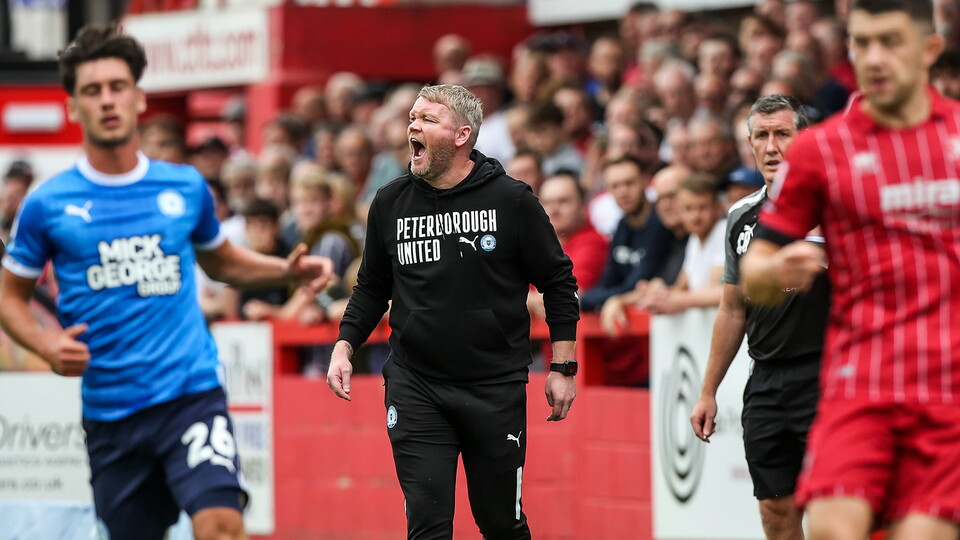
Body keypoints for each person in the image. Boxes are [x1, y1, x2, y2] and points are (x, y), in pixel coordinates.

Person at [0, 25, 332, 540]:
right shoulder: (47, 204)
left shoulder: (184, 186)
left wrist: (285, 271)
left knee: (221, 524)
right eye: (92, 90)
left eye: (117, 86)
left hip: (190, 392)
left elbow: (220, 261)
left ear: (138, 98)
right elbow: (10, 295)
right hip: (112, 412)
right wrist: (45, 343)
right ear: (73, 107)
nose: (107, 100)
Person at [740, 2, 960, 538]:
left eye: (892, 40)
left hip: (947, 390)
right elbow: (756, 267)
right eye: (863, 43)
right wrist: (774, 271)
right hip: (856, 384)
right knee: (834, 530)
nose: (876, 58)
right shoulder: (820, 149)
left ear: (929, 49)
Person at [326, 84, 579, 539]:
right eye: (412, 118)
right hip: (415, 383)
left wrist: (563, 365)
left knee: (501, 522)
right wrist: (344, 346)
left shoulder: (512, 200)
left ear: (463, 135)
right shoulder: (389, 202)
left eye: (427, 119)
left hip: (494, 385)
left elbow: (559, 282)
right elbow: (371, 287)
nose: (412, 126)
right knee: (427, 524)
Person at [689, 94, 829, 540]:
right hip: (766, 379)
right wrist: (708, 390)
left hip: (827, 376)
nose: (772, 147)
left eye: (782, 134)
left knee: (834, 509)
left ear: (804, 140)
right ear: (749, 143)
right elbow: (732, 310)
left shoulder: (835, 207)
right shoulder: (740, 216)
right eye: (762, 136)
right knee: (773, 507)